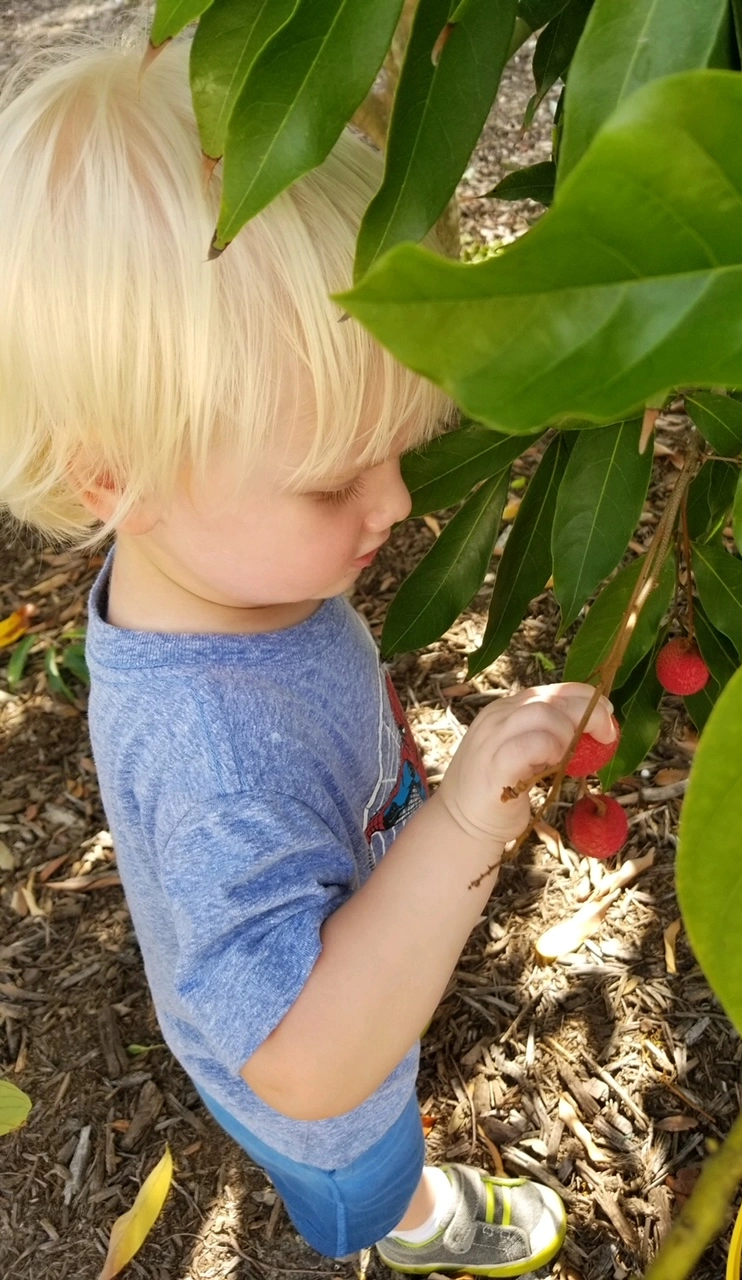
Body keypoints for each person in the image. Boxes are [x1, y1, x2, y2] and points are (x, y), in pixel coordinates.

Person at [0, 21, 619, 1276]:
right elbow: (306, 1049)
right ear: (117, 479)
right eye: (337, 477)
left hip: (323, 964)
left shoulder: (203, 566)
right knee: (370, 1156)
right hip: (322, 1101)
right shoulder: (218, 759)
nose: (394, 505)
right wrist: (455, 823)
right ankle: (404, 1226)